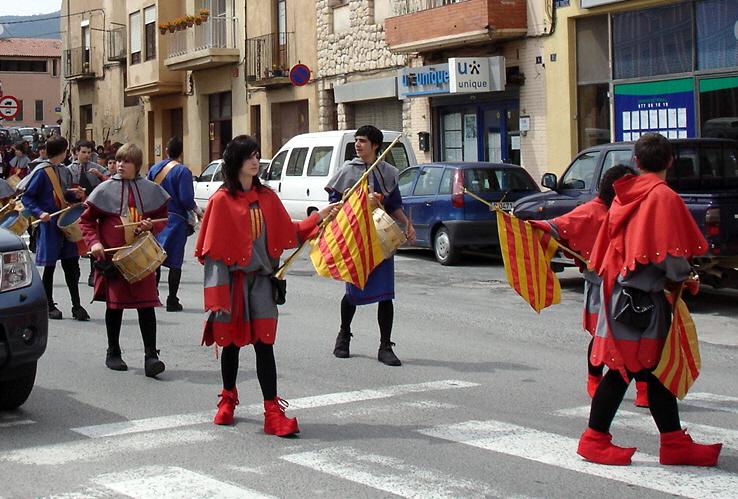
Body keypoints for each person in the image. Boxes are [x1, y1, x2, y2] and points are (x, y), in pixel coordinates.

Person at [577, 133, 722, 466]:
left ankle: (672, 442)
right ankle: (595, 439)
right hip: (642, 301)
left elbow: (616, 247)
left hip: (619, 295)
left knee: (651, 370)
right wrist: (684, 276)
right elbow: (668, 257)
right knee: (624, 369)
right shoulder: (663, 197)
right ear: (671, 161)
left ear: (636, 162)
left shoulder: (622, 196)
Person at [195, 135, 339, 435]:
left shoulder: (268, 197)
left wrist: (318, 217)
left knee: (265, 345)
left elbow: (290, 232)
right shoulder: (220, 200)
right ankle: (227, 399)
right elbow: (213, 254)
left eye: (257, 155)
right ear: (236, 162)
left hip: (261, 282)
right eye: (250, 156)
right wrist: (217, 294)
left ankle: (272, 412)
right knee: (231, 344)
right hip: (233, 284)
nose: (255, 161)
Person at [530, 165, 648, 404]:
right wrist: (534, 226)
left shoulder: (636, 211)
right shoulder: (593, 211)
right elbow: (558, 225)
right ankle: (594, 378)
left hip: (632, 285)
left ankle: (644, 388)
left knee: (640, 336)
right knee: (603, 335)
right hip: (602, 284)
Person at [325, 126, 416, 366]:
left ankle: (385, 346)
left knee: (386, 294)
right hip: (356, 238)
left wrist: (407, 224)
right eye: (356, 140)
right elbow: (335, 204)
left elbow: (395, 205)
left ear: (375, 145)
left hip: (381, 239)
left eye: (363, 141)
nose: (358, 144)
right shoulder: (347, 170)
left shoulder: (388, 172)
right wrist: (356, 200)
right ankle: (344, 335)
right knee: (353, 291)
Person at [80, 143, 170, 377]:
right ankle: (113, 352)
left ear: (137, 165)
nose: (120, 164)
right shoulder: (103, 189)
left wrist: (152, 225)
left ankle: (151, 356)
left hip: (141, 256)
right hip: (113, 258)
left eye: (126, 161)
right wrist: (95, 243)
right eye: (119, 160)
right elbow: (87, 221)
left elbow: (162, 219)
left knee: (147, 306)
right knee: (115, 307)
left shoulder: (150, 189)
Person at [21, 136, 89, 321]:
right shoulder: (41, 172)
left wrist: (76, 195)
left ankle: (76, 305)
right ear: (63, 151)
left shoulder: (64, 171)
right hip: (49, 223)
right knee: (50, 267)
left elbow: (65, 194)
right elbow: (27, 198)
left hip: (65, 220)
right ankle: (48, 305)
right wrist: (39, 212)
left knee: (71, 265)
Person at [147, 137, 202, 311]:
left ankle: (153, 294)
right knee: (175, 261)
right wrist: (197, 211)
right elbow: (186, 198)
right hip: (176, 219)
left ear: (166, 150)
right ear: (181, 152)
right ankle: (172, 299)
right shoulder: (183, 171)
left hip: (156, 218)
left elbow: (148, 191)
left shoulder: (154, 169)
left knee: (155, 258)